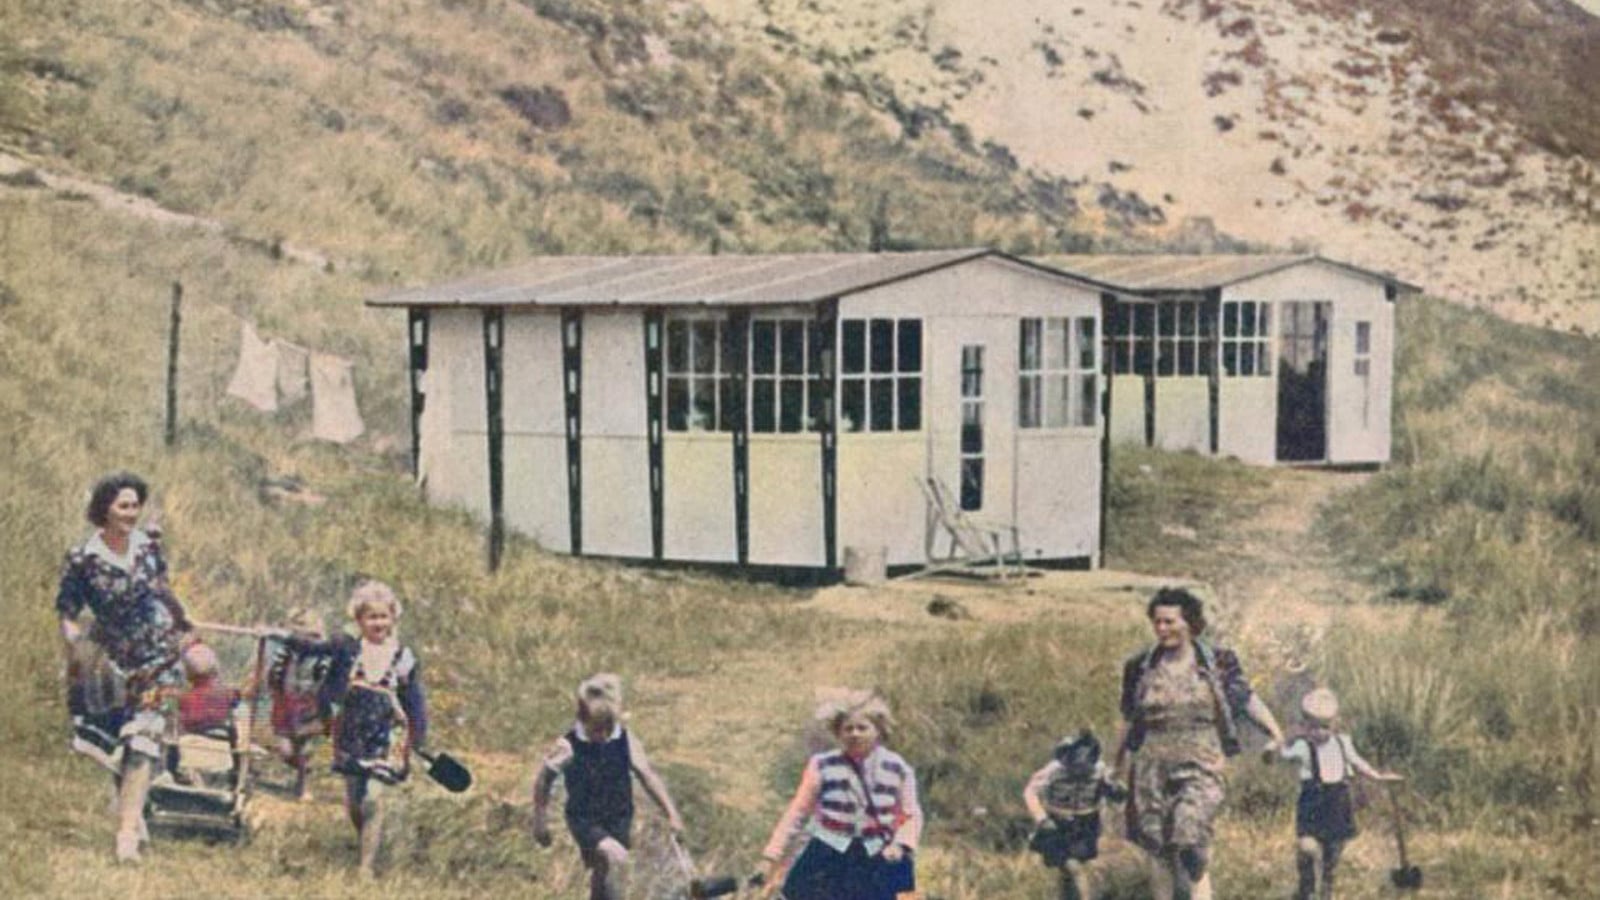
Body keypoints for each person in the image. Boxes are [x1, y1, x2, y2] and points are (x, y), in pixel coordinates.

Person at [1114, 587, 1285, 900]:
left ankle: (1198, 890)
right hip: (1152, 766)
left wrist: (1275, 733)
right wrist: (1116, 765)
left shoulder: (1217, 661)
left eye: (1170, 621)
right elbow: (1127, 717)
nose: (1162, 629)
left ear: (1190, 623)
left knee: (1190, 837)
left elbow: (1245, 699)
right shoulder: (1139, 666)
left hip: (1201, 762)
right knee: (1157, 846)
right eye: (1157, 622)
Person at [56, 472, 193, 863]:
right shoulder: (83, 560)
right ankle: (134, 814)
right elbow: (67, 610)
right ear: (104, 509)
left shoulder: (147, 546)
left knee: (143, 740)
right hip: (113, 663)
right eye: (123, 506)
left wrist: (184, 625)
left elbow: (163, 589)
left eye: (135, 506)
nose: (131, 513)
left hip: (159, 656)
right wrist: (75, 645)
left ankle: (126, 835)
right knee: (120, 746)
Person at [531, 674, 685, 900]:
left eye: (608, 728)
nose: (603, 736)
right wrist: (540, 820)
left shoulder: (624, 739)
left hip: (619, 817)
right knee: (615, 857)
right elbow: (543, 781)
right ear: (583, 720)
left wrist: (672, 814)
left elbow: (647, 775)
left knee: (604, 872)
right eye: (596, 730)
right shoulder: (568, 746)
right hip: (585, 819)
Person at [759, 690, 922, 900]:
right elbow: (797, 812)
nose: (855, 734)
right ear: (838, 733)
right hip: (828, 852)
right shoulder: (822, 764)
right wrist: (771, 855)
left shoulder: (897, 767)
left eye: (862, 728)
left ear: (878, 731)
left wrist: (900, 844)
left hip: (874, 855)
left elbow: (910, 813)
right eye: (848, 728)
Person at [320, 580, 427, 879]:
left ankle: (365, 867)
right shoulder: (350, 652)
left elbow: (414, 699)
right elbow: (329, 688)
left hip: (387, 734)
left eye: (384, 616)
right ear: (359, 620)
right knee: (355, 799)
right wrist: (325, 716)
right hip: (352, 732)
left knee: (373, 796)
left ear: (393, 618)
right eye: (371, 617)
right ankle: (366, 840)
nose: (378, 623)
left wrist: (417, 736)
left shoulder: (403, 656)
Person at [1277, 688, 1403, 900]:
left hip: (1338, 806)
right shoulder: (1303, 747)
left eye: (1325, 727)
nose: (1320, 733)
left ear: (1335, 724)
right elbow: (1284, 755)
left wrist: (1377, 776)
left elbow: (1358, 763)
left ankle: (1326, 890)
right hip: (1313, 807)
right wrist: (1274, 749)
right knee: (1308, 848)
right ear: (1305, 726)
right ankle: (1306, 887)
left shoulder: (1343, 743)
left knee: (1332, 856)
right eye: (1314, 727)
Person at [1024, 729, 1127, 900]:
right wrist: (1041, 818)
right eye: (1076, 761)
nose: (1080, 767)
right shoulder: (1053, 771)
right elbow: (1030, 792)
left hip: (1086, 824)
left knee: (1082, 865)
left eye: (1086, 761)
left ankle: (1073, 894)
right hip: (1058, 825)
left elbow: (1117, 793)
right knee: (1069, 865)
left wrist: (1115, 789)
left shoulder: (1100, 771)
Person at [269, 607, 332, 800]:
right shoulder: (287, 651)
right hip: (286, 702)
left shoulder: (322, 655)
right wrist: (275, 687)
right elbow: (275, 673)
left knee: (306, 747)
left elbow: (325, 680)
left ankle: (304, 784)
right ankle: (300, 767)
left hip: (308, 704)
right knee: (285, 749)